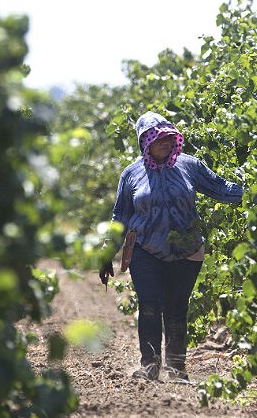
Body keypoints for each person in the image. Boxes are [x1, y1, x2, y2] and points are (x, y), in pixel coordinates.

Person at [100, 111, 244, 382]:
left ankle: (177, 368)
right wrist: (107, 252)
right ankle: (150, 365)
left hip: (187, 250)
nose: (165, 142)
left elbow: (221, 188)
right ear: (146, 142)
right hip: (146, 250)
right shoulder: (131, 174)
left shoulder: (189, 166)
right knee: (150, 306)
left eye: (169, 137)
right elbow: (119, 216)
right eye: (158, 138)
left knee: (177, 307)